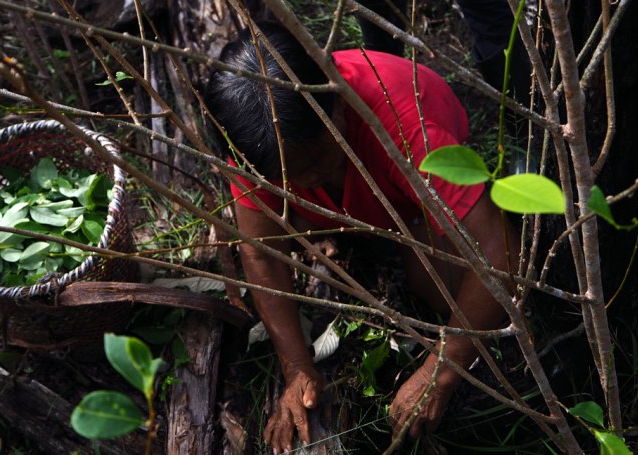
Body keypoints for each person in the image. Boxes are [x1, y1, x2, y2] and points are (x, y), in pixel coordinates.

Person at [205, 23, 519, 452]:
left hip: (411, 199)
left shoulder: (404, 124)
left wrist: (442, 369)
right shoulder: (257, 147)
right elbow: (262, 254)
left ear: (337, 102)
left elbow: (500, 252)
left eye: (320, 156)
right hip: (363, 200)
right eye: (292, 175)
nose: (311, 178)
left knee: (443, 290)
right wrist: (296, 366)